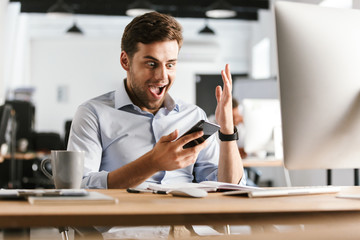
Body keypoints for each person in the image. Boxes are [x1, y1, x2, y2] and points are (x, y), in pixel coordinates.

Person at [67, 12, 245, 190]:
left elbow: (228, 187)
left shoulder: (194, 116)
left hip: (184, 216)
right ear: (125, 61)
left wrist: (228, 132)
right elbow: (78, 185)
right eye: (151, 64)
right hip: (126, 216)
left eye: (170, 65)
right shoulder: (93, 114)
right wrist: (153, 162)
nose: (162, 77)